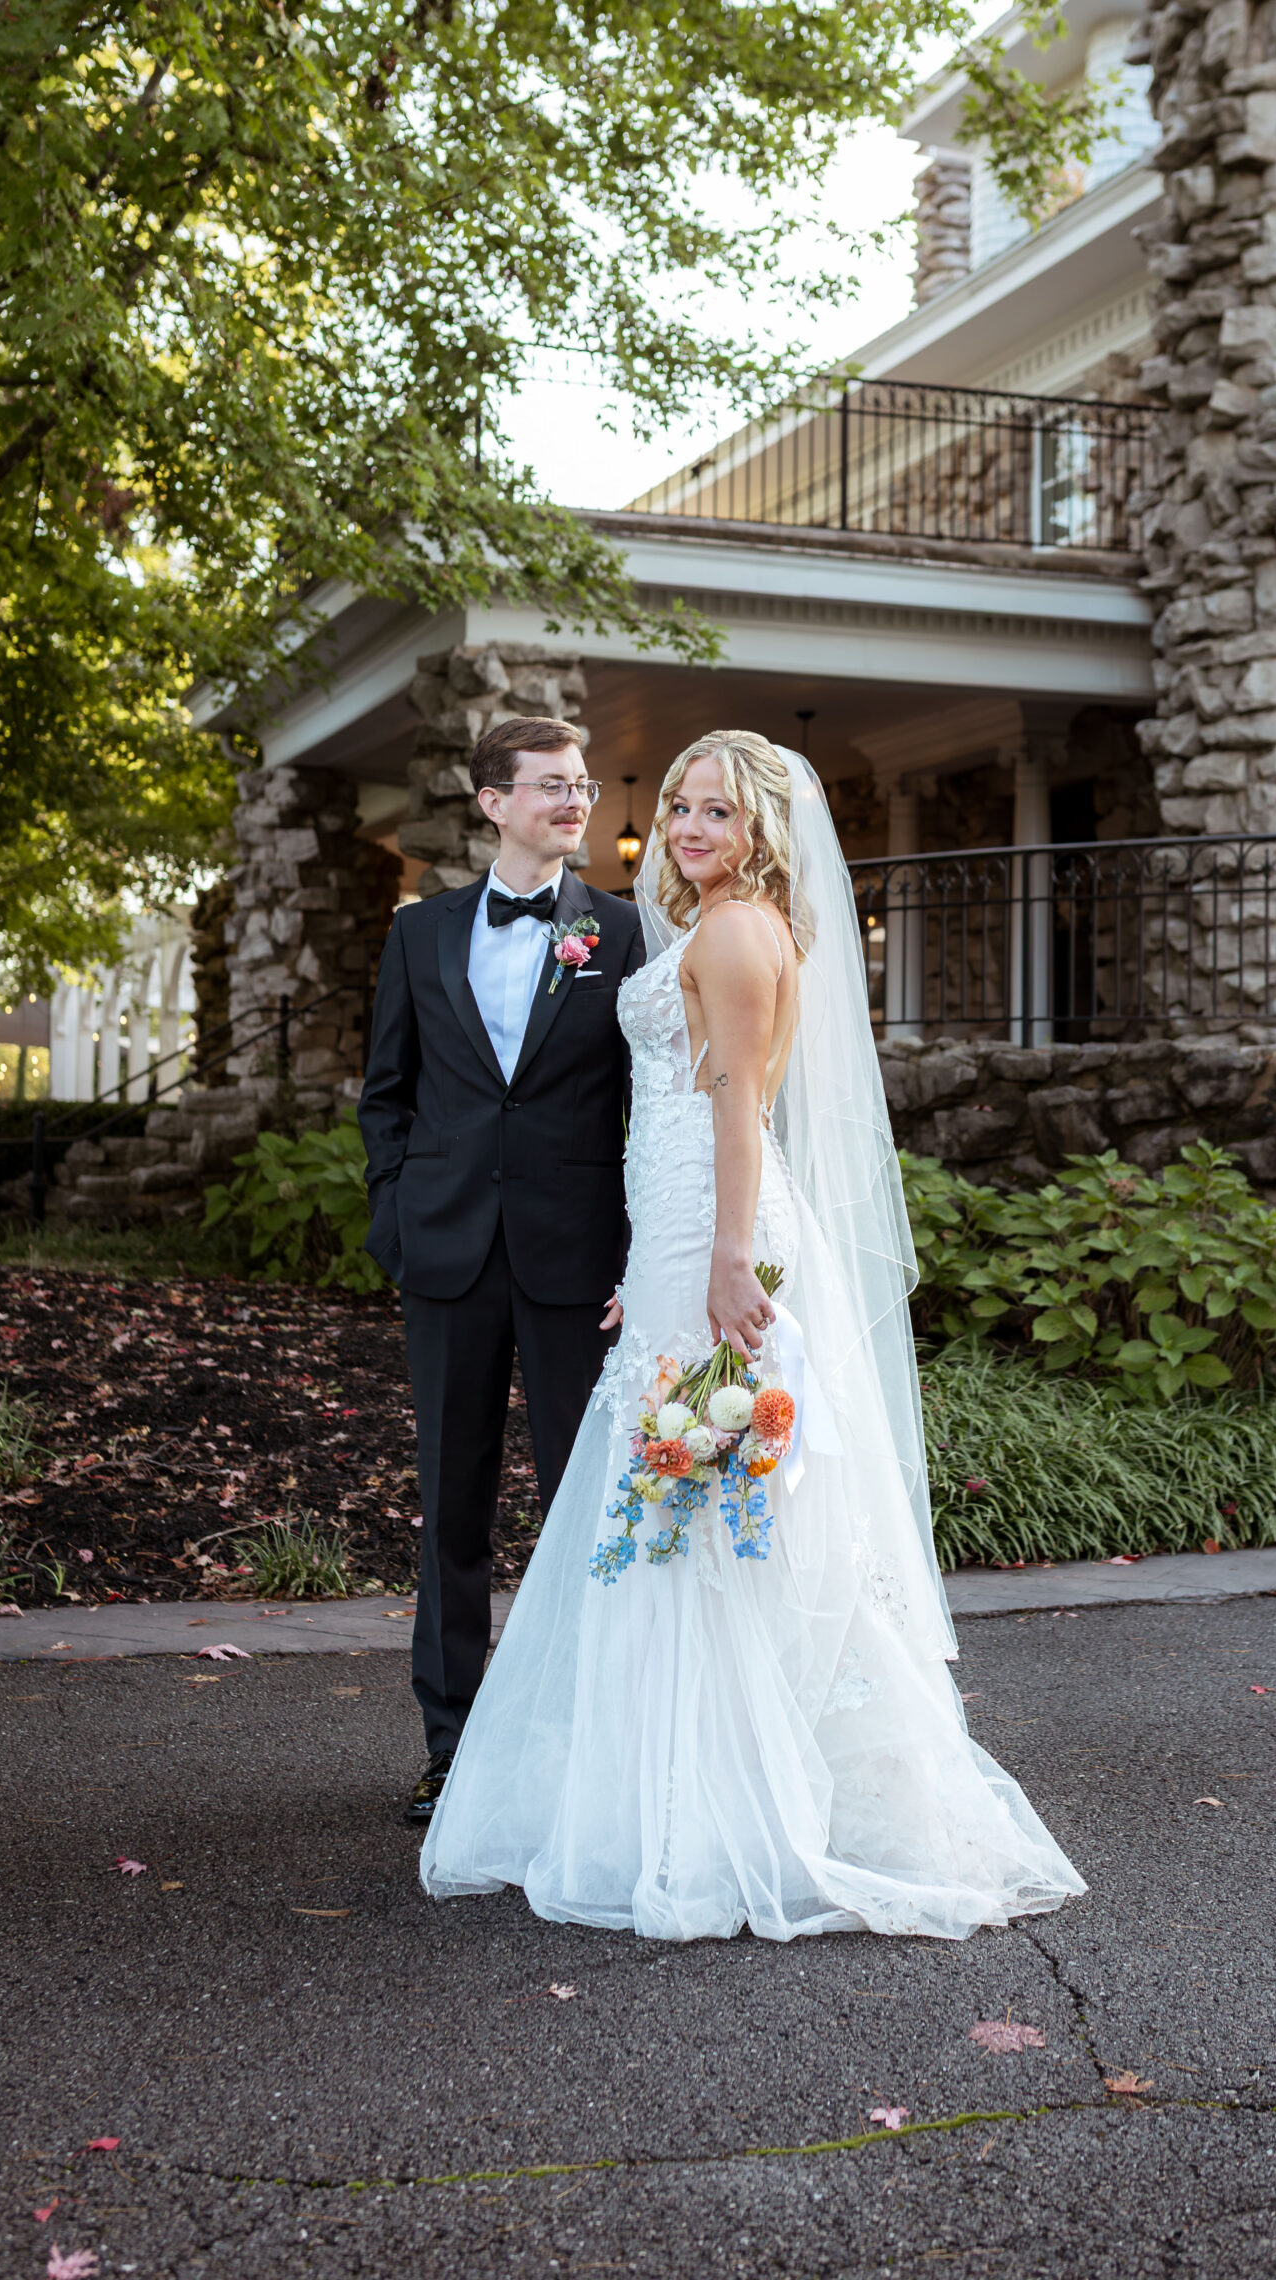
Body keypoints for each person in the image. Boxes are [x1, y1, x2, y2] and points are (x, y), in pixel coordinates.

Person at [420, 729, 1086, 1939]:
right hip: (677, 1224)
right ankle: (680, 1782)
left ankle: (710, 1800)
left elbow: (735, 1099)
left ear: (763, 830)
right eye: (677, 805)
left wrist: (726, 1253)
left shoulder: (730, 931)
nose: (686, 829)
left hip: (715, 1220)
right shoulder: (730, 923)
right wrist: (656, 1255)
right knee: (695, 1480)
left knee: (704, 1491)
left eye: (715, 813)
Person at [358, 715, 646, 1825]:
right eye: (550, 787)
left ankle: (581, 1739)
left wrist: (643, 1246)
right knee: (452, 1504)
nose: (575, 802)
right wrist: (397, 1214)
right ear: (492, 802)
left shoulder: (622, 930)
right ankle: (453, 1746)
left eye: (582, 785)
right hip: (445, 1251)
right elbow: (388, 1091)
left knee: (587, 1501)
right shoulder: (419, 932)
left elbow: (648, 1098)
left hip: (579, 1257)